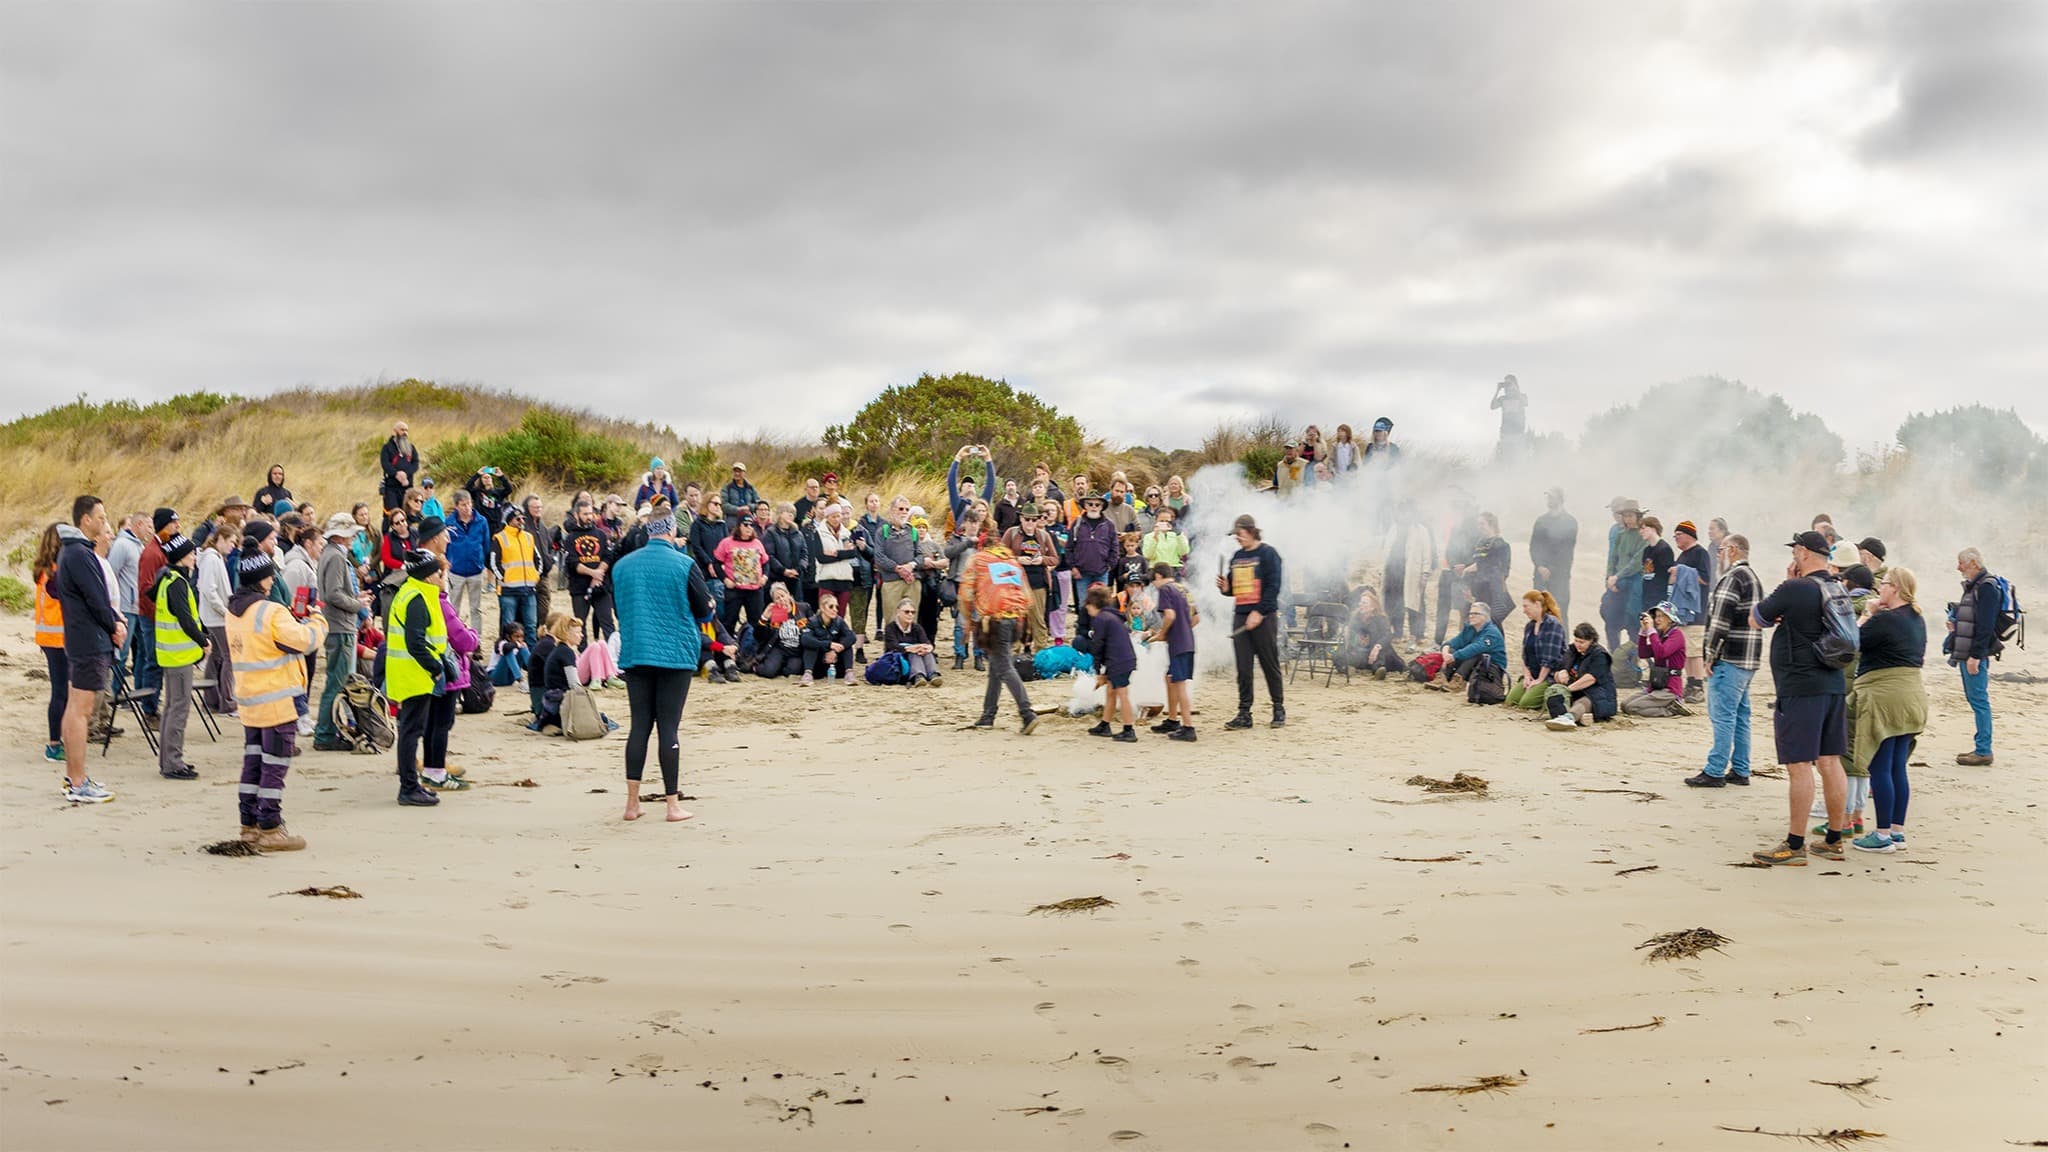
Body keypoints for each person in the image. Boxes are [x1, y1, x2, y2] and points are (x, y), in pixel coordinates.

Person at [1751, 531, 1854, 867]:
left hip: (1800, 686)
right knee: (1830, 761)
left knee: (1799, 765)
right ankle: (1834, 840)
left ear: (1804, 552)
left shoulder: (1796, 588)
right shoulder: (1837, 586)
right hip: (1833, 683)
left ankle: (1795, 845)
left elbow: (1757, 617)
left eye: (1796, 549)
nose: (1794, 555)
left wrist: (1787, 584)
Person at [610, 512, 716, 822]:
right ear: (671, 531)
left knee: (639, 725)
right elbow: (704, 610)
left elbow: (619, 608)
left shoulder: (622, 565)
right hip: (674, 654)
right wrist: (706, 605)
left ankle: (632, 803)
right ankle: (672, 804)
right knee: (668, 727)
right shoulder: (684, 564)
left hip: (636, 651)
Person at [225, 546, 327, 849]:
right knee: (275, 764)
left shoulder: (234, 611)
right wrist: (317, 619)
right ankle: (270, 828)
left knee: (254, 762)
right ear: (264, 579)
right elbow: (304, 641)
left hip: (249, 700)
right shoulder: (270, 610)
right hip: (277, 700)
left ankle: (249, 824)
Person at [1850, 567, 1928, 853]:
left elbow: (1852, 639)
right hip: (1912, 696)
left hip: (1886, 696)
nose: (1878, 590)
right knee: (1897, 766)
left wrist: (1868, 612)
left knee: (1879, 765)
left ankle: (1881, 835)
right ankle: (1897, 832)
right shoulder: (1917, 618)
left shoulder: (1884, 619)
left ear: (1894, 588)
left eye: (1882, 585)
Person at [51, 497, 121, 802]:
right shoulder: (79, 553)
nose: (105, 523)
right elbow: (97, 599)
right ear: (85, 520)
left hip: (81, 640)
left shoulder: (71, 551)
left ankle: (74, 778)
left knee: (74, 709)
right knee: (81, 711)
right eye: (101, 518)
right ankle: (77, 782)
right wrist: (114, 626)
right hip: (89, 642)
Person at [1688, 533, 1763, 787]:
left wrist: (1710, 656)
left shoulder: (1732, 578)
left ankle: (1715, 770)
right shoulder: (1753, 577)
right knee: (1740, 715)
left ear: (1732, 550)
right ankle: (1741, 769)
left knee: (1723, 716)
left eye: (1720, 550)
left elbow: (1720, 622)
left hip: (1730, 657)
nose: (1717, 555)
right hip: (1748, 659)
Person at [386, 550, 454, 808]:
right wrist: (435, 667)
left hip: (414, 674)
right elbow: (414, 643)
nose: (442, 576)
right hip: (413, 674)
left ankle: (411, 784)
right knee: (411, 731)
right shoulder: (416, 597)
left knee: (412, 730)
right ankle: (408, 787)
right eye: (439, 572)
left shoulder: (418, 592)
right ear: (428, 576)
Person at [963, 539, 1043, 734]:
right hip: (1016, 618)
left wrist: (967, 621)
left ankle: (1027, 712)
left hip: (994, 620)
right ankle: (988, 715)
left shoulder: (978, 560)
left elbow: (965, 593)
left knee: (1004, 666)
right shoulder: (1013, 562)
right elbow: (1028, 597)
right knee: (996, 665)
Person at [1218, 514, 1285, 729]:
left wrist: (1260, 612)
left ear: (1251, 531)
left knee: (1269, 663)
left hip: (1263, 617)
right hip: (1241, 614)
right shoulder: (1237, 556)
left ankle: (1278, 708)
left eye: (1240, 533)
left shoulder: (1268, 553)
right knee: (1243, 667)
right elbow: (1234, 589)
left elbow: (1273, 587)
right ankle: (1244, 712)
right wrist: (1226, 588)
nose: (1237, 538)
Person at [1946, 547, 2001, 766]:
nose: (1958, 567)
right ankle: (1982, 747)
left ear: (1974, 563)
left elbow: (1985, 626)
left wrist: (1975, 656)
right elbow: (1976, 620)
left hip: (1973, 654)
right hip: (1969, 651)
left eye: (1961, 563)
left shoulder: (1986, 587)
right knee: (1976, 699)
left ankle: (1984, 750)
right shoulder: (1978, 586)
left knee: (1979, 700)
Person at [33, 527, 72, 765]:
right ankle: (54, 744)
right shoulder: (54, 574)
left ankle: (59, 739)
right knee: (60, 692)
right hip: (56, 639)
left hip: (49, 637)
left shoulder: (44, 571)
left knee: (61, 692)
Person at [1081, 584, 1139, 741]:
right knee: (1112, 691)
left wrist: (1098, 670)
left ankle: (1129, 729)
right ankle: (1105, 724)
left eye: (1088, 607)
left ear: (1093, 605)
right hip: (1124, 658)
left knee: (1122, 693)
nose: (1087, 610)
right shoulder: (1113, 616)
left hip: (1118, 660)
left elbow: (1098, 645)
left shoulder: (1101, 619)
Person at [1601, 498, 1648, 685]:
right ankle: (1615, 664)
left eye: (1630, 515)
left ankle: (1631, 669)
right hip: (1616, 584)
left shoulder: (1641, 536)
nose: (1627, 519)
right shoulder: (1620, 533)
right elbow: (1612, 557)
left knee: (1632, 625)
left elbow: (1636, 562)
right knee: (1610, 621)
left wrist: (1617, 576)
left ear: (1637, 516)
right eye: (1625, 515)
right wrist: (1609, 577)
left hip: (1631, 584)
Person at [1545, 623, 1618, 730]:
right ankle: (1568, 716)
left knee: (1582, 703)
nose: (1578, 644)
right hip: (1576, 691)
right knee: (1555, 698)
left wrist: (1567, 689)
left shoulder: (1600, 655)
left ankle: (1568, 718)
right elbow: (1559, 667)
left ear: (1591, 640)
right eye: (1576, 641)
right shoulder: (1572, 651)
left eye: (1582, 642)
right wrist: (1560, 673)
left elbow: (1590, 678)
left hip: (1598, 693)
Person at [562, 500, 616, 644]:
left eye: (590, 513)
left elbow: (608, 556)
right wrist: (593, 573)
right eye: (585, 514)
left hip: (601, 586)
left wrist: (599, 572)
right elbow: (572, 563)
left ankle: (611, 657)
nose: (589, 517)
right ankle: (584, 656)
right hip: (579, 588)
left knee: (608, 623)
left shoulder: (601, 535)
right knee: (580, 625)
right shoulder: (570, 538)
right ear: (576, 515)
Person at [713, 516, 772, 646]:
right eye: (745, 525)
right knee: (729, 621)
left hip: (754, 590)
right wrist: (724, 579)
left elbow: (766, 563)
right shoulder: (727, 542)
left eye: (751, 525)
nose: (749, 528)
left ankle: (754, 650)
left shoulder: (757, 543)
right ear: (739, 526)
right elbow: (716, 563)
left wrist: (765, 577)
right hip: (734, 589)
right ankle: (727, 652)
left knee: (756, 621)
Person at [1670, 521, 1712, 701]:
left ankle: (1698, 686)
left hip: (1696, 609)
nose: (1676, 539)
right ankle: (1691, 682)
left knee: (1694, 649)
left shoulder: (1700, 553)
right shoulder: (1683, 555)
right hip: (1682, 610)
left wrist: (1680, 571)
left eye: (1678, 534)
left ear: (1689, 535)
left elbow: (1705, 578)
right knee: (1685, 648)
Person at [1622, 603, 1687, 717]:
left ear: (1670, 619)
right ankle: (1666, 706)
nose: (1657, 619)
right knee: (1624, 705)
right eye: (1656, 616)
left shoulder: (1677, 635)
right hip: (1657, 685)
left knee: (1631, 708)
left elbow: (1661, 653)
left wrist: (1651, 630)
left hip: (1670, 689)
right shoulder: (1661, 636)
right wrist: (1643, 632)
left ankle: (1670, 711)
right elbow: (1643, 653)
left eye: (1662, 616)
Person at [442, 490, 491, 637]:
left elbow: (486, 544)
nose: (467, 507)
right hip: (456, 571)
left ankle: (477, 640)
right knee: (453, 608)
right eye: (463, 505)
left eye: (469, 503)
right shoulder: (449, 523)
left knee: (476, 608)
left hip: (476, 571)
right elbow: (445, 545)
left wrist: (483, 562)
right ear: (456, 506)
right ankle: (455, 639)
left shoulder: (481, 521)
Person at [1428, 601, 1507, 691]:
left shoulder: (1492, 633)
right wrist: (1446, 652)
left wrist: (1454, 656)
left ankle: (1458, 680)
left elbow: (1475, 648)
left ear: (1485, 616)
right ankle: (1442, 677)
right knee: (1452, 650)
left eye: (1475, 613)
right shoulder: (1470, 629)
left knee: (1475, 654)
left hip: (1491, 669)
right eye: (1470, 613)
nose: (1471, 616)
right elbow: (1454, 642)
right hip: (1473, 667)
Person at [1505, 590, 1565, 709]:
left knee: (1526, 703)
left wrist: (1539, 680)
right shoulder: (1530, 626)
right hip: (1533, 673)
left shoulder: (1552, 624)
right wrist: (1527, 676)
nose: (1524, 610)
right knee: (1511, 700)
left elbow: (1550, 658)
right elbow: (1525, 655)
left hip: (1549, 675)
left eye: (1526, 606)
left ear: (1537, 604)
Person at [1435, 497, 1480, 646]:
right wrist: (1455, 566)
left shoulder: (1477, 531)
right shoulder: (1456, 528)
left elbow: (1478, 553)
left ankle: (1464, 641)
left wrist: (1465, 566)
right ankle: (1437, 641)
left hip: (1468, 575)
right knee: (1443, 609)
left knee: (1465, 611)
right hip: (1451, 572)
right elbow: (1449, 551)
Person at [1529, 489, 1577, 626]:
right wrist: (1540, 565)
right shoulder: (1541, 521)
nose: (1549, 500)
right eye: (1548, 497)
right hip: (1540, 574)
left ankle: (1562, 645)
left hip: (1560, 576)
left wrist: (1551, 568)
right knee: (1538, 612)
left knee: (1559, 612)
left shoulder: (1570, 521)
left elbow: (1566, 551)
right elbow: (1534, 546)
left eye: (1552, 497)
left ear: (1560, 499)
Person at [1340, 586, 1406, 679]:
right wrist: (1356, 642)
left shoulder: (1380, 618)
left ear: (1372, 607)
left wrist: (1377, 646)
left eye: (1364, 603)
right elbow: (1352, 635)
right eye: (1360, 602)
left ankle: (1378, 670)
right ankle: (1350, 667)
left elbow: (1387, 635)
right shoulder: (1355, 618)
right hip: (1360, 650)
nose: (1360, 605)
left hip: (1376, 650)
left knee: (1381, 655)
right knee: (1340, 655)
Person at [532, 613, 582, 730]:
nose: (582, 636)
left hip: (550, 702)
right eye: (578, 633)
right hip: (558, 703)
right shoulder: (566, 652)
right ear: (567, 634)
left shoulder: (558, 649)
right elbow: (574, 684)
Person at [1465, 512, 1514, 627]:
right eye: (1478, 524)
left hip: (1492, 591)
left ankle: (1497, 644)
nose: (1479, 527)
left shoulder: (1502, 545)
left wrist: (1474, 568)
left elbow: (1502, 570)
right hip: (1477, 589)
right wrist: (1469, 587)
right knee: (1476, 624)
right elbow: (1475, 563)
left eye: (1482, 524)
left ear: (1491, 524)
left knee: (1493, 624)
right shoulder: (1480, 543)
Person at [883, 596, 944, 687]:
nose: (910, 614)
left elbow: (927, 642)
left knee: (926, 652)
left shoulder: (917, 627)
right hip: (897, 660)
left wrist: (927, 648)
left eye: (913, 612)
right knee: (914, 652)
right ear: (898, 612)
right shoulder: (890, 627)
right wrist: (910, 648)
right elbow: (892, 646)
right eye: (906, 612)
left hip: (916, 656)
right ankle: (918, 676)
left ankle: (933, 675)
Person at [800, 595, 857, 683]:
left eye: (836, 607)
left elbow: (852, 636)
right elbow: (805, 639)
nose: (835, 609)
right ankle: (808, 674)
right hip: (818, 663)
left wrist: (835, 650)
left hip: (835, 662)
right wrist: (828, 644)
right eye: (831, 606)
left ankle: (849, 673)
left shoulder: (839, 621)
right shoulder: (812, 621)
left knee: (847, 645)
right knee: (811, 645)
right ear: (822, 608)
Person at [379, 421, 418, 513]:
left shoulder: (411, 448)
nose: (405, 433)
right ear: (394, 431)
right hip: (391, 488)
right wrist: (396, 474)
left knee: (407, 513)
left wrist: (405, 474)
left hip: (407, 487)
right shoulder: (387, 447)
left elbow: (415, 464)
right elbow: (385, 464)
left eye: (406, 430)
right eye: (402, 430)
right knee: (392, 513)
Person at [1142, 506, 1189, 576]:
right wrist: (1155, 538)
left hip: (1174, 569)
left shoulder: (1177, 535)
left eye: (1167, 521)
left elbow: (1184, 552)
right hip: (1156, 570)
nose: (1164, 523)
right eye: (1161, 521)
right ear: (1156, 520)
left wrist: (1179, 535)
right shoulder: (1149, 536)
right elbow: (1148, 555)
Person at [1490, 374, 1528, 450]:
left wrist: (1516, 389)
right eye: (1506, 384)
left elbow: (1525, 403)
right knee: (1506, 457)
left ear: (1515, 384)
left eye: (1509, 383)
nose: (1507, 386)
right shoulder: (1503, 398)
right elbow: (1492, 406)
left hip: (1518, 433)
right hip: (1505, 433)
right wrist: (1497, 390)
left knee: (1518, 457)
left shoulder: (1521, 396)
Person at [720, 463, 760, 532]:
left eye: (739, 471)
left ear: (744, 473)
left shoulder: (751, 488)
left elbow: (758, 503)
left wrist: (749, 507)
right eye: (735, 471)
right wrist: (738, 509)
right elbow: (723, 505)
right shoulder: (727, 488)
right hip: (732, 520)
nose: (737, 473)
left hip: (748, 518)